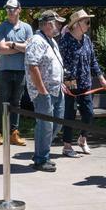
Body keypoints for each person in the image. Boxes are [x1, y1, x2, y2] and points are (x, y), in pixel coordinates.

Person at [59, 9, 106, 157]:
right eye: (86, 22)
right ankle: (67, 146)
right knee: (69, 114)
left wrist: (101, 78)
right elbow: (58, 61)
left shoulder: (87, 40)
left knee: (89, 113)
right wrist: (61, 80)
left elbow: (93, 61)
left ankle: (82, 138)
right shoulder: (65, 40)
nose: (89, 25)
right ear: (76, 24)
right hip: (70, 83)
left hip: (85, 83)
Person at [26, 10, 67, 172]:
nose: (60, 26)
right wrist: (42, 90)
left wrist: (60, 82)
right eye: (58, 23)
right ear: (49, 24)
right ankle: (41, 158)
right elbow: (32, 66)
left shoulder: (50, 40)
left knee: (56, 122)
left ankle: (41, 154)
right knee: (45, 125)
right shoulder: (37, 41)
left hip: (56, 90)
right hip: (44, 92)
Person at [0, 0, 33, 147]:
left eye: (12, 8)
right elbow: (1, 49)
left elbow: (30, 48)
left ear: (19, 9)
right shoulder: (2, 27)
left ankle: (14, 133)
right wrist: (20, 47)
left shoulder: (27, 28)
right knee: (2, 101)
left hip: (21, 71)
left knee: (17, 102)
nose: (9, 11)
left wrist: (12, 44)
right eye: (7, 8)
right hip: (5, 71)